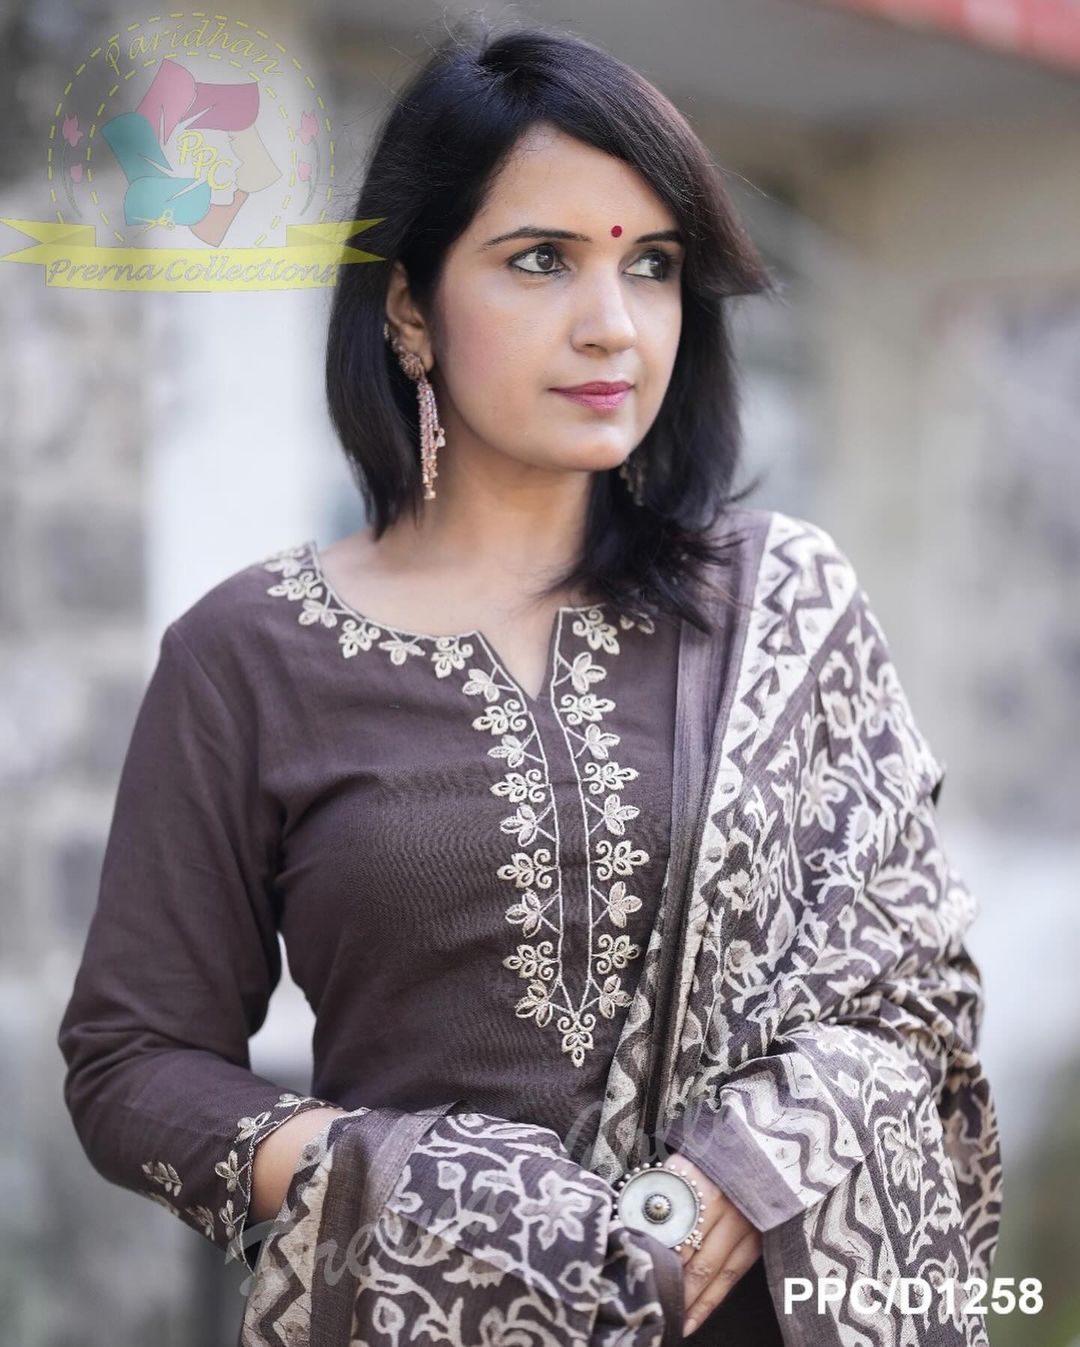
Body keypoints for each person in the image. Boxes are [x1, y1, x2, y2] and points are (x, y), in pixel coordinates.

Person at [57, 19, 1002, 1346]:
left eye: (652, 265)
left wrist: (739, 1174)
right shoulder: (247, 654)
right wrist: (398, 1182)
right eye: (541, 259)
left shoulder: (782, 604)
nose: (612, 325)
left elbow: (913, 991)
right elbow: (130, 1068)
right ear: (408, 307)